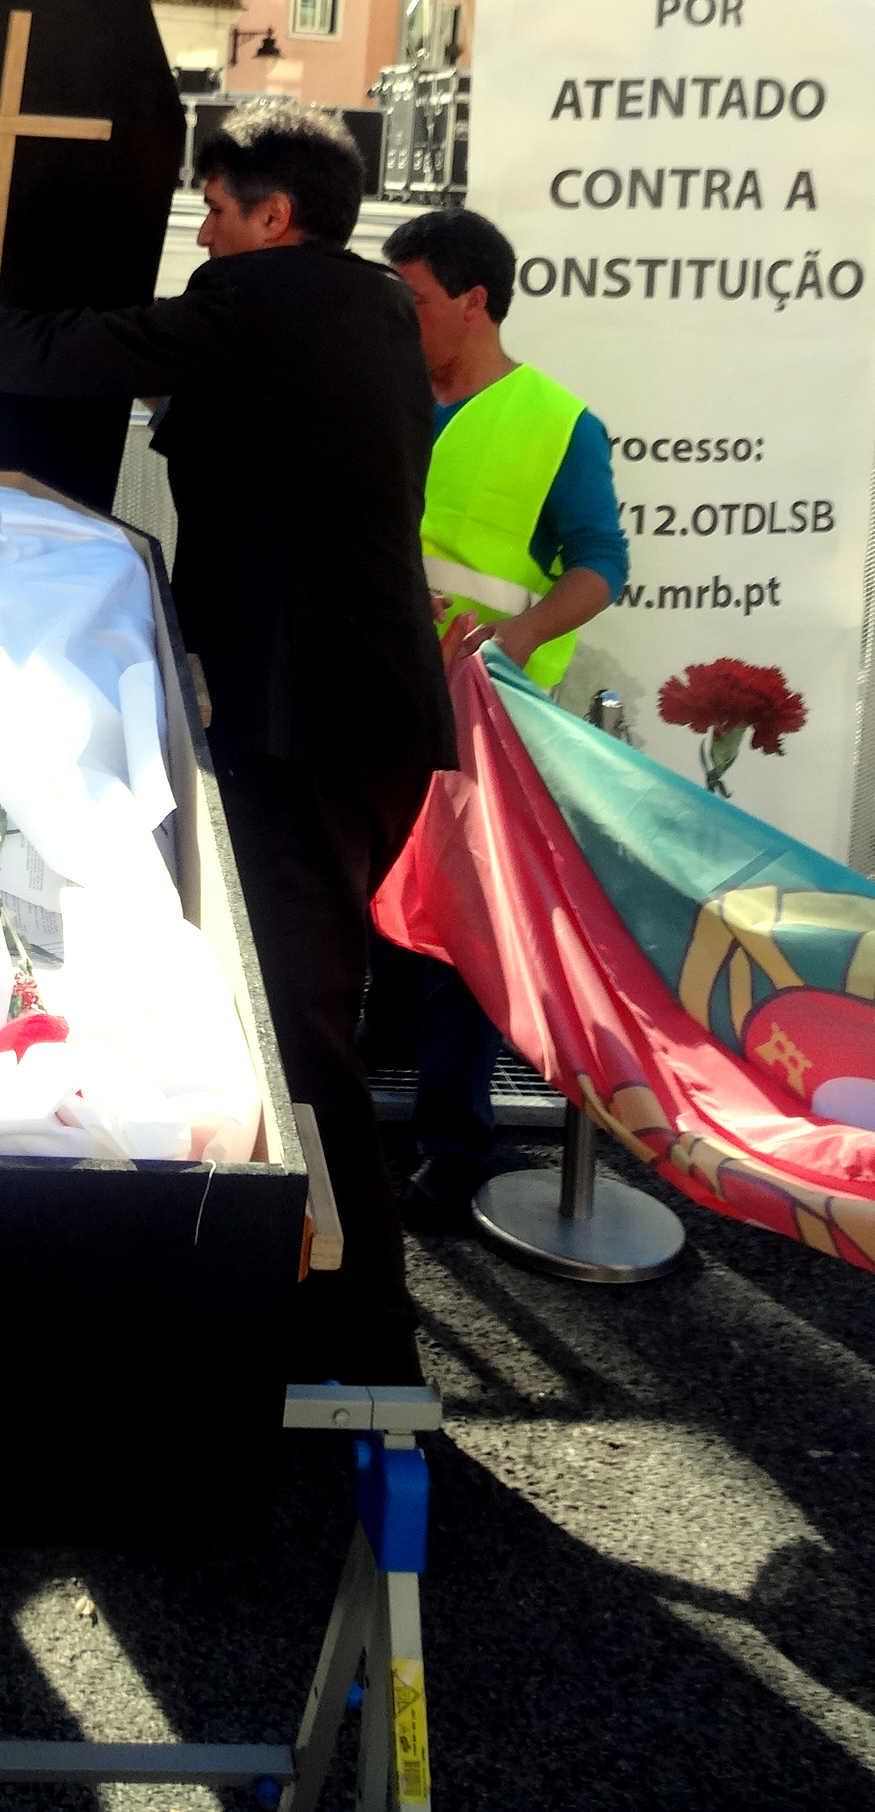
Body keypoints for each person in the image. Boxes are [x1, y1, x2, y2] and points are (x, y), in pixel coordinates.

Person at [0, 103, 453, 1382]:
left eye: (216, 211)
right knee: (307, 1001)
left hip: (305, 722)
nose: (201, 236)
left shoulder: (257, 300)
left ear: (275, 216)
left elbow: (66, 351)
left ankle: (367, 1335)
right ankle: (309, 1291)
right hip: (368, 715)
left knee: (302, 1020)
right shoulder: (372, 306)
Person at [375, 205, 629, 1226]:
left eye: (412, 299)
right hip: (375, 684)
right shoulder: (381, 391)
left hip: (482, 710)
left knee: (460, 927)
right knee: (373, 891)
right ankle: (374, 1086)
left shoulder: (557, 423)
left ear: (474, 301)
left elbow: (599, 565)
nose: (396, 318)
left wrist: (511, 642)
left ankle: (454, 1146)